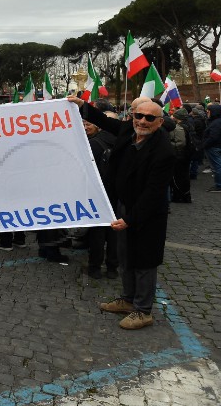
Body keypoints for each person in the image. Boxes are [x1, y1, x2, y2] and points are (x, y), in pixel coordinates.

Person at [70, 95, 175, 330]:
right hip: (124, 204)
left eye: (149, 118)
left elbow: (153, 193)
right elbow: (107, 123)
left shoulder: (163, 151)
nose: (143, 121)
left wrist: (130, 219)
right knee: (125, 255)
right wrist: (82, 106)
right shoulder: (129, 130)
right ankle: (128, 300)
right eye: (139, 116)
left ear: (159, 121)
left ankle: (143, 310)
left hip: (147, 214)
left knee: (145, 261)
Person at [83, 118, 118, 279]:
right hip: (117, 193)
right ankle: (112, 267)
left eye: (88, 124)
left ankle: (94, 267)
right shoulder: (124, 141)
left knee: (97, 232)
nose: (85, 127)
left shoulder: (93, 144)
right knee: (114, 232)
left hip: (98, 192)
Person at [169, 108, 195, 202]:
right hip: (186, 155)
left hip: (180, 155)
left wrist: (169, 145)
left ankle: (180, 196)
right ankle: (184, 195)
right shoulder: (188, 125)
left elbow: (180, 143)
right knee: (184, 176)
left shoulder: (179, 127)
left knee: (178, 177)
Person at [204, 104, 221, 193]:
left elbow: (213, 137)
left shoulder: (216, 123)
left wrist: (204, 144)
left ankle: (219, 185)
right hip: (216, 146)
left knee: (217, 166)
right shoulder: (216, 121)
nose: (207, 112)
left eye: (208, 111)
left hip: (214, 147)